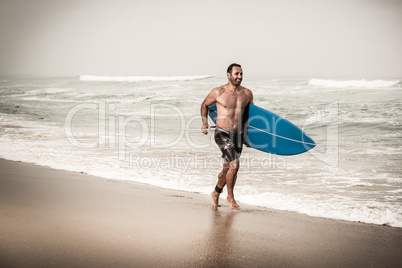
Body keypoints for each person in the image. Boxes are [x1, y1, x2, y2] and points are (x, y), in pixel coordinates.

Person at [200, 63, 254, 210]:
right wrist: (204, 123)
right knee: (235, 165)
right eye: (237, 74)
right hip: (222, 133)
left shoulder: (247, 94)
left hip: (238, 135)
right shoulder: (218, 92)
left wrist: (248, 137)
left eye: (241, 74)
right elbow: (204, 105)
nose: (240, 77)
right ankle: (230, 198)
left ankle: (216, 192)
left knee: (228, 168)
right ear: (228, 75)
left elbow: (249, 117)